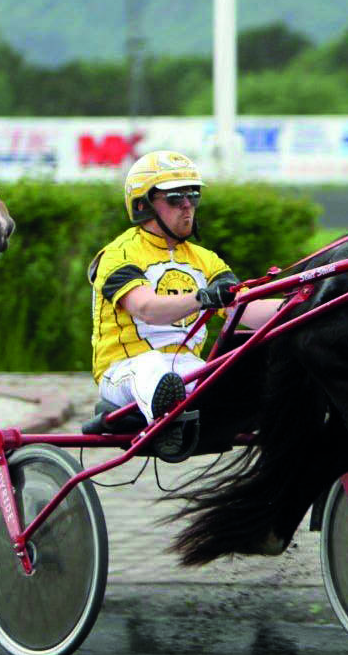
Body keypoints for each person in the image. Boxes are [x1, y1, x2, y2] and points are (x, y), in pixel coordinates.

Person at [88, 150, 278, 456]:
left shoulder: (205, 260)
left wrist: (307, 301)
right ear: (142, 204)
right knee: (155, 370)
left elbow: (246, 308)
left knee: (249, 367)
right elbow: (146, 308)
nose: (187, 205)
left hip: (188, 372)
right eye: (175, 197)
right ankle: (167, 428)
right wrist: (202, 297)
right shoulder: (118, 255)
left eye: (193, 195)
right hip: (125, 372)